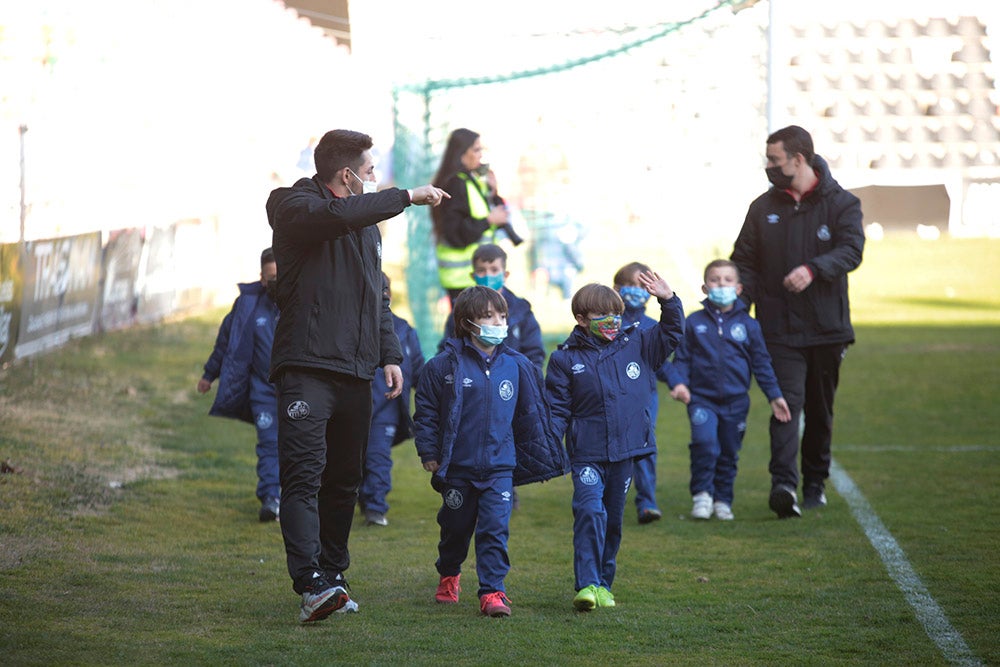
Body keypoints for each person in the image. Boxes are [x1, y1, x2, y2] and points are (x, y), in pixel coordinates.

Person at [266, 128, 448, 623]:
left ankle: (334, 576)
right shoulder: (291, 203)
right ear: (347, 174)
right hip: (306, 367)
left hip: (355, 370)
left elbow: (377, 297)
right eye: (370, 171)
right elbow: (334, 215)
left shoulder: (368, 228)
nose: (375, 178)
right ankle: (309, 585)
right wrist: (406, 197)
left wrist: (389, 353)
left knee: (345, 480)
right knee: (304, 477)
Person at [730, 125, 864, 519]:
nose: (768, 166)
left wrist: (814, 269)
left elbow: (852, 251)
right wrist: (739, 299)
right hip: (778, 329)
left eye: (774, 159)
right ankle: (783, 485)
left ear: (798, 159)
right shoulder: (761, 208)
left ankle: (815, 484)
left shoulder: (842, 204)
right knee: (784, 405)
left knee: (820, 411)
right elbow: (745, 261)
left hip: (827, 329)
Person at [413, 286, 568, 618]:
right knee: (454, 530)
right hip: (457, 468)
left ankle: (492, 592)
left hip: (500, 468)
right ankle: (449, 573)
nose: (498, 322)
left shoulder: (517, 365)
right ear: (468, 322)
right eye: (488, 316)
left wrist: (541, 454)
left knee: (495, 529)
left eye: (502, 316)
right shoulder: (443, 366)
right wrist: (429, 451)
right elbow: (425, 411)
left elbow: (533, 414)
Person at [546, 274, 683, 611]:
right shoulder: (564, 359)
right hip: (587, 453)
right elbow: (556, 409)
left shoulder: (638, 343)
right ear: (580, 319)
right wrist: (550, 445)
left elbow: (672, 333)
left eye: (616, 315)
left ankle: (604, 584)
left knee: (613, 520)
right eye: (601, 316)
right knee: (590, 511)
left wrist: (670, 300)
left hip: (626, 451)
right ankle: (588, 585)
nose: (611, 322)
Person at [665, 259, 791, 521]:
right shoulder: (693, 322)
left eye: (727, 280)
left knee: (728, 451)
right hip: (701, 400)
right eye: (714, 280)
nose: (721, 284)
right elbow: (683, 358)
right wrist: (679, 384)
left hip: (736, 402)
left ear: (739, 288)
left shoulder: (749, 325)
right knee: (705, 444)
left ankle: (723, 499)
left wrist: (775, 396)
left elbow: (762, 364)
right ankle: (702, 495)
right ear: (704, 287)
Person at [197, 247, 281, 522]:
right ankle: (270, 497)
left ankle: (299, 499)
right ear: (261, 277)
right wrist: (210, 374)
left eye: (280, 275)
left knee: (300, 447)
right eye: (270, 277)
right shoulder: (247, 306)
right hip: (263, 391)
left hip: (297, 391)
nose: (275, 282)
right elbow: (227, 342)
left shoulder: (303, 299)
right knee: (268, 443)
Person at [359, 273, 425, 528]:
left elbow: (417, 369)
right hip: (356, 406)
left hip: (386, 408)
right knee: (351, 459)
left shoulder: (404, 330)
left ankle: (375, 507)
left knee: (378, 458)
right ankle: (359, 497)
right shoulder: (355, 324)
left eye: (385, 288)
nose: (382, 293)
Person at [612, 261, 673, 525]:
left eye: (641, 286)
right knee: (615, 448)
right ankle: (608, 498)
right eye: (630, 285)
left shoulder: (651, 326)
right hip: (614, 398)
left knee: (646, 449)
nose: (635, 291)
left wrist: (677, 383)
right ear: (617, 288)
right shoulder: (608, 324)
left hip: (646, 398)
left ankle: (647, 502)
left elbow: (661, 363)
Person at [431, 128, 518, 304]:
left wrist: (493, 194)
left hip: (478, 277)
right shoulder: (455, 184)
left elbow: (495, 211)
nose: (481, 155)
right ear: (462, 153)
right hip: (463, 281)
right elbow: (455, 234)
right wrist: (489, 221)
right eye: (476, 150)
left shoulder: (470, 180)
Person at [438, 244, 545, 371]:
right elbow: (447, 348)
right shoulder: (461, 309)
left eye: (494, 270)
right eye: (481, 270)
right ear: (473, 275)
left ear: (505, 275)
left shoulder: (521, 310)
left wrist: (524, 379)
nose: (488, 275)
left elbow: (534, 353)